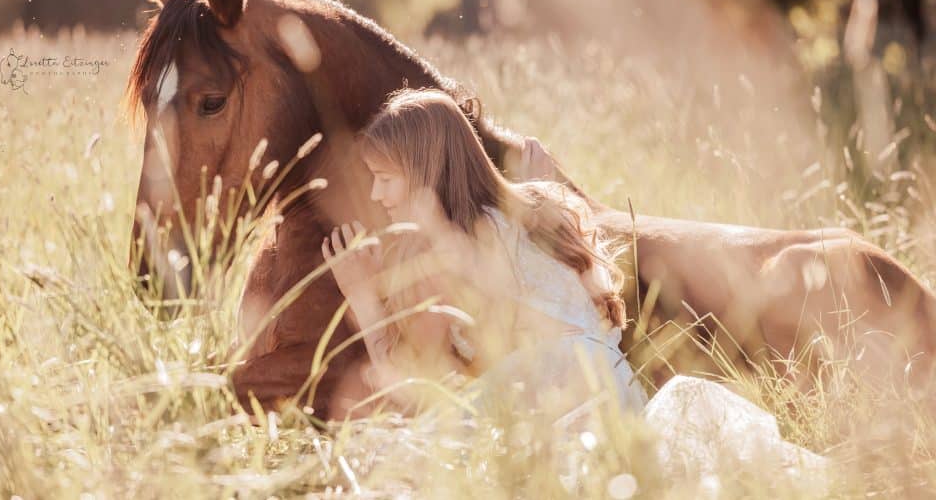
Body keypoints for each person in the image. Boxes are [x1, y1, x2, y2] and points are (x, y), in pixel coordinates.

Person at [322, 88, 829, 482]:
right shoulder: (535, 212)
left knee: (384, 459)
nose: (375, 193)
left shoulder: (454, 251)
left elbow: (408, 393)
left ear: (422, 170)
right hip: (604, 395)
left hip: (562, 405)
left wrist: (362, 295)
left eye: (385, 177)